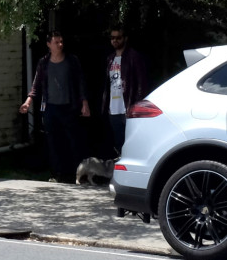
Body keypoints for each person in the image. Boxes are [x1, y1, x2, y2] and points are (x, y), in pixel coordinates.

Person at [20, 30, 90, 182]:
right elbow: (36, 85)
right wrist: (27, 102)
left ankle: (78, 175)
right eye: (56, 42)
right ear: (48, 44)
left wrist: (84, 103)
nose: (60, 44)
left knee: (74, 142)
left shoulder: (71, 61)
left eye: (61, 41)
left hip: (69, 107)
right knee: (53, 143)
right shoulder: (44, 63)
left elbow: (80, 83)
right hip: (50, 108)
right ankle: (58, 175)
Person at [102, 25, 147, 157]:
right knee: (118, 142)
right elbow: (107, 84)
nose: (115, 40)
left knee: (132, 141)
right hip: (113, 107)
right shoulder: (110, 59)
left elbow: (141, 83)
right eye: (112, 38)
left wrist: (136, 105)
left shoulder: (134, 56)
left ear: (125, 39)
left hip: (128, 106)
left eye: (118, 37)